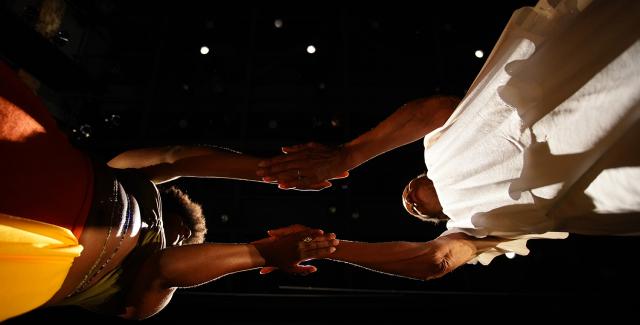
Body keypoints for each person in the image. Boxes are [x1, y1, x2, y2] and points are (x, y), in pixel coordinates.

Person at [256, 0, 640, 280]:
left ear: (419, 176)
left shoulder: (439, 148)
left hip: (579, 78)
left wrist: (348, 155)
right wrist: (326, 249)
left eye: (408, 189)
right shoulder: (477, 229)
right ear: (438, 219)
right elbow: (433, 261)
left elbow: (435, 111)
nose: (409, 199)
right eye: (418, 211)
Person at [0, 59, 340, 322]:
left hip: (38, 256)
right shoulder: (132, 181)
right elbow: (175, 158)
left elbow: (166, 266)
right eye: (179, 232)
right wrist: (271, 171)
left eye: (184, 241)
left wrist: (264, 254)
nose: (176, 240)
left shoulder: (149, 296)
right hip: (47, 166)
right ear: (168, 211)